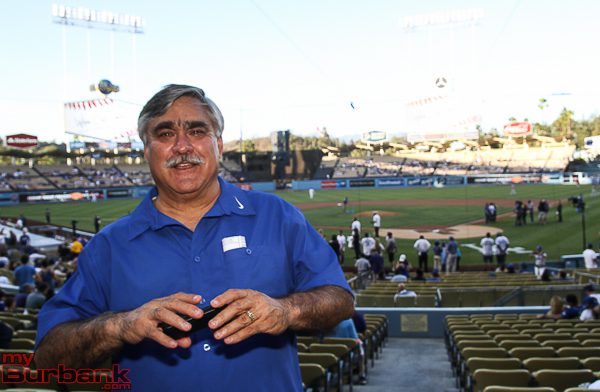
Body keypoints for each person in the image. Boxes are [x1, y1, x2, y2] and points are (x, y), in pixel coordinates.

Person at [35, 84, 354, 391]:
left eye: (197, 131)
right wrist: (119, 326)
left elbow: (340, 298)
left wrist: (287, 311)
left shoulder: (277, 216)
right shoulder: (109, 246)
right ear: (147, 150)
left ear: (219, 144)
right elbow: (48, 361)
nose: (182, 146)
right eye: (165, 134)